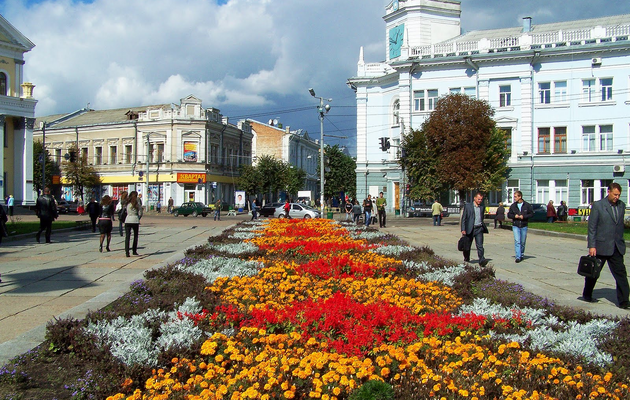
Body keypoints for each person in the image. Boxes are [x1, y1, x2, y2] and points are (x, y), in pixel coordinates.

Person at [581, 182, 629, 309]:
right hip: (600, 246)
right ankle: (587, 294)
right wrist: (592, 245)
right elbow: (592, 227)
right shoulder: (598, 206)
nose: (617, 197)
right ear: (609, 192)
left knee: (621, 275)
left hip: (616, 246)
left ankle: (624, 301)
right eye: (615, 194)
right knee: (594, 273)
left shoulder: (621, 206)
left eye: (619, 195)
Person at [460, 192, 489, 267]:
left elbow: (482, 217)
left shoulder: (482, 207)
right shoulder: (468, 206)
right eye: (478, 199)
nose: (480, 201)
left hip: (479, 228)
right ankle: (466, 257)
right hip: (470, 229)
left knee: (480, 245)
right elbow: (464, 218)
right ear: (475, 198)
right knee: (467, 246)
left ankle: (481, 260)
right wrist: (463, 229)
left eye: (481, 199)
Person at [507, 190, 534, 263]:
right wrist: (514, 216)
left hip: (524, 225)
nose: (514, 198)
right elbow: (509, 215)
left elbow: (531, 214)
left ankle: (521, 254)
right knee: (517, 241)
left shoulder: (527, 205)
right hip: (516, 225)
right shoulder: (513, 206)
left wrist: (524, 216)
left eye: (515, 197)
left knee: (522, 241)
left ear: (520, 196)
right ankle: (518, 256)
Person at [124, 191, 143, 257]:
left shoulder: (127, 202)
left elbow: (125, 210)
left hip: (128, 220)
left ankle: (127, 252)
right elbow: (140, 212)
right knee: (135, 236)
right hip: (135, 220)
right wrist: (138, 217)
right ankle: (134, 251)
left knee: (127, 236)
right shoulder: (137, 203)